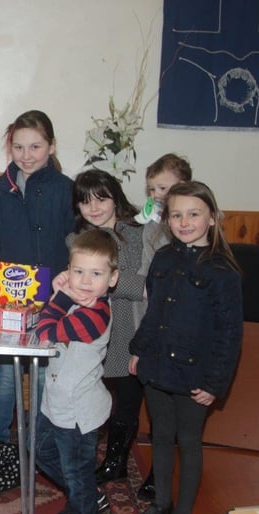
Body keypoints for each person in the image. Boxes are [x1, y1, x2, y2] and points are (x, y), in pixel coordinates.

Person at [129, 182, 243, 514]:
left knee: (188, 441)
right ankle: (161, 502)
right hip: (157, 366)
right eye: (176, 214)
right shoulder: (163, 259)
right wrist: (137, 350)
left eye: (194, 214)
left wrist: (215, 383)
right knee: (161, 436)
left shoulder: (223, 270)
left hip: (195, 375)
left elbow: (230, 333)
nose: (184, 221)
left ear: (211, 218)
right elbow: (152, 314)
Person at [0, 110, 75, 443]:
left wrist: (68, 285)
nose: (26, 155)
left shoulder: (66, 189)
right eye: (19, 148)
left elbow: (75, 242)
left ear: (51, 147)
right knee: (6, 373)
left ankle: (35, 438)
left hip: (52, 299)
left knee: (42, 373)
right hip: (7, 299)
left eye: (35, 147)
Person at [34, 229, 119, 514]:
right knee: (41, 452)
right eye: (78, 271)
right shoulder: (77, 300)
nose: (85, 281)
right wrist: (61, 291)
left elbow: (44, 331)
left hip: (79, 413)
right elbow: (49, 319)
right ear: (67, 270)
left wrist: (61, 294)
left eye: (95, 273)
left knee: (77, 474)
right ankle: (88, 493)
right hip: (55, 403)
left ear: (112, 278)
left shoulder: (96, 314)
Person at [67, 170, 145, 486]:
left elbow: (144, 286)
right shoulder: (77, 239)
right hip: (94, 326)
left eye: (102, 198)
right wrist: (109, 280)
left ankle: (117, 460)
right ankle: (89, 454)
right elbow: (84, 285)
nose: (94, 207)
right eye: (85, 202)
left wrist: (109, 281)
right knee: (91, 392)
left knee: (128, 395)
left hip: (132, 324)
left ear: (116, 196)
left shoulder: (137, 233)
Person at [134, 153, 192, 501]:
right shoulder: (152, 222)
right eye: (152, 187)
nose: (157, 193)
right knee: (153, 400)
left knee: (173, 411)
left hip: (178, 321)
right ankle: (157, 471)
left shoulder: (188, 225)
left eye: (164, 187)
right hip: (150, 313)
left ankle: (164, 474)